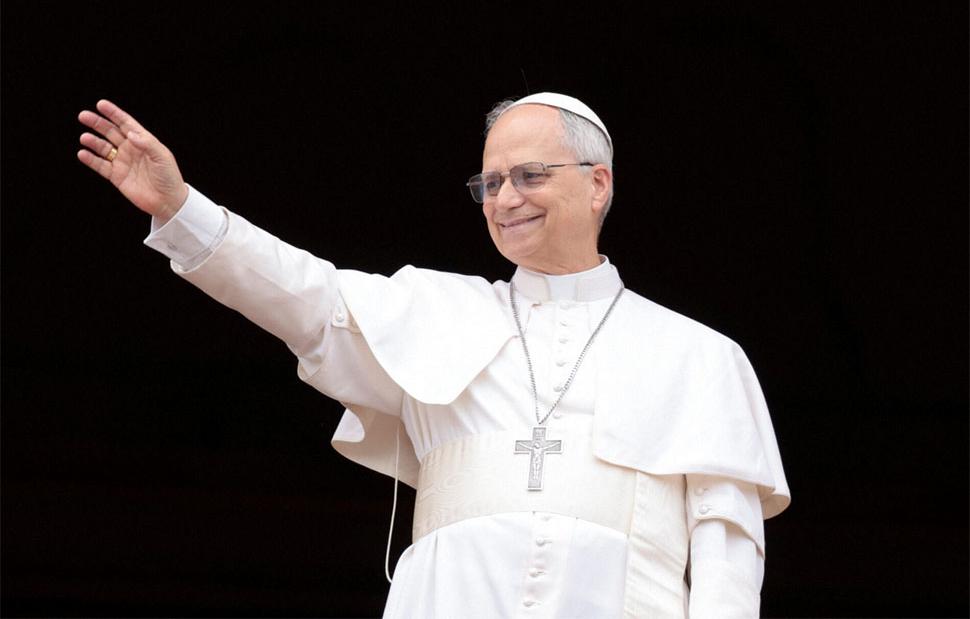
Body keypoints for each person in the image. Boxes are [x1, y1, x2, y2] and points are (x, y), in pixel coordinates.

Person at [77, 93, 790, 618]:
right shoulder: (435, 312)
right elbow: (306, 297)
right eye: (490, 183)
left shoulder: (700, 357)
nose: (504, 199)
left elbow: (726, 554)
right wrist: (181, 210)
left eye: (529, 175)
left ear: (598, 182)